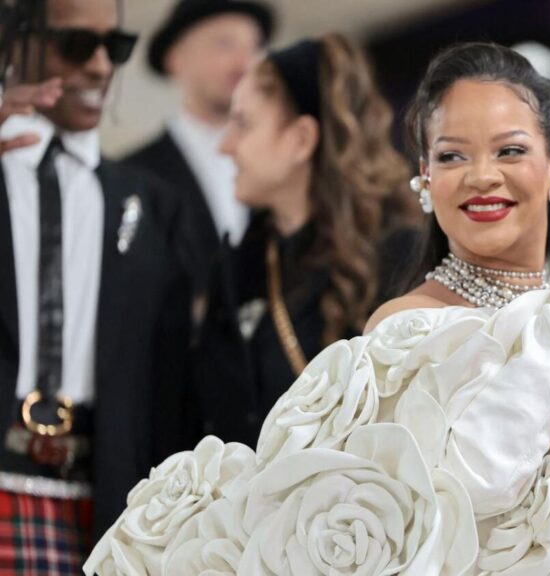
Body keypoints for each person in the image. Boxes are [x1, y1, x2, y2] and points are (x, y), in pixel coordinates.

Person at [86, 42, 550, 576]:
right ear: (424, 178)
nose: (482, 176)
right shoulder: (407, 328)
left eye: (510, 150)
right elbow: (475, 482)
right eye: (454, 156)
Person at [0, 0, 192, 572]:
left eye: (115, 47)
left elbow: (167, 387)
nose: (102, 66)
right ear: (15, 41)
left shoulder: (154, 206)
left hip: (106, 509)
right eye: (77, 45)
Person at [192, 34, 421, 448]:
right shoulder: (237, 269)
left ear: (300, 139)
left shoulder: (401, 256)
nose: (225, 146)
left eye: (243, 123)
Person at [125, 0, 275, 295]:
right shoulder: (135, 176)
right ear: (176, 59)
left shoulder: (282, 163)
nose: (244, 64)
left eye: (254, 47)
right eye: (225, 44)